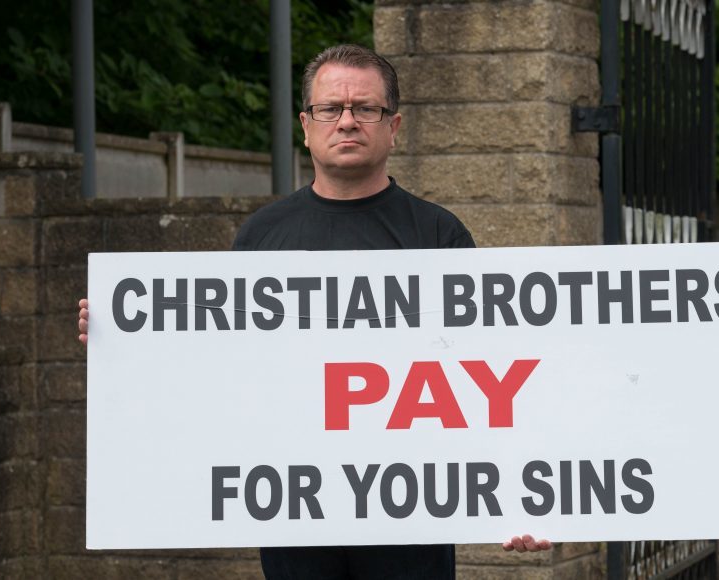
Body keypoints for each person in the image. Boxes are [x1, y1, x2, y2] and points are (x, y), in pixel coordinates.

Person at [78, 44, 551, 579]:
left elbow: (484, 375)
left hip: (409, 513)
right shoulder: (262, 236)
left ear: (393, 126)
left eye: (365, 108)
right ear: (306, 125)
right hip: (295, 507)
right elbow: (221, 362)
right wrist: (125, 335)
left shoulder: (438, 235)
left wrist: (516, 496)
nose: (346, 121)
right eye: (331, 109)